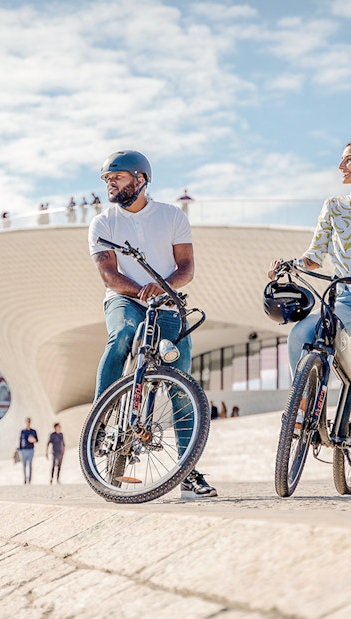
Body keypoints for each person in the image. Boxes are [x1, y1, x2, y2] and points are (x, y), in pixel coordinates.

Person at [88, 149, 217, 498]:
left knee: (181, 379)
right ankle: (99, 425)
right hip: (124, 299)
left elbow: (186, 269)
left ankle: (187, 473)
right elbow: (109, 276)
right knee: (122, 336)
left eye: (117, 178)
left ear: (140, 179)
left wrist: (161, 289)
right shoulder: (102, 223)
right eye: (107, 180)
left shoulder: (172, 216)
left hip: (167, 301)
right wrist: (141, 291)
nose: (110, 184)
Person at [268, 141, 351, 375]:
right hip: (345, 299)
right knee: (300, 334)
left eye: (349, 160)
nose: (340, 166)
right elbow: (313, 258)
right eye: (342, 159)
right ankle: (303, 410)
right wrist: (288, 265)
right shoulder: (335, 206)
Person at [19, 417, 38, 484]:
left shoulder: (33, 431)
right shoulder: (23, 431)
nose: (28, 423)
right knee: (24, 465)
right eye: (27, 422)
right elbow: (20, 440)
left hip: (30, 450)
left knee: (30, 465)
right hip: (23, 450)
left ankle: (29, 480)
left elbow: (37, 440)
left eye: (29, 422)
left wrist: (33, 440)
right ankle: (24, 479)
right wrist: (20, 449)